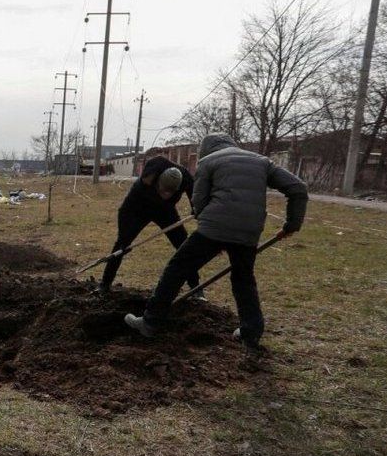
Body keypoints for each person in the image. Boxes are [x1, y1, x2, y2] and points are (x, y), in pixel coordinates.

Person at [125, 134, 307, 348]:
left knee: (177, 268)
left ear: (205, 150)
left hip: (214, 227)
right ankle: (250, 333)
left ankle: (150, 323)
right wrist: (292, 224)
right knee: (243, 279)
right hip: (249, 231)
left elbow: (199, 201)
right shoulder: (261, 161)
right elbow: (298, 188)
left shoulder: (208, 162)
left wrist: (208, 227)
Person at [97, 156, 201, 297]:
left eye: (169, 193)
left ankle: (196, 288)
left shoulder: (186, 179)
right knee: (121, 245)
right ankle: (104, 284)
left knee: (183, 245)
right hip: (137, 208)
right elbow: (125, 210)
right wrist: (124, 235)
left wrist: (196, 207)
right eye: (162, 190)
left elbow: (195, 195)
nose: (164, 194)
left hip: (165, 211)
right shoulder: (150, 174)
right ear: (157, 181)